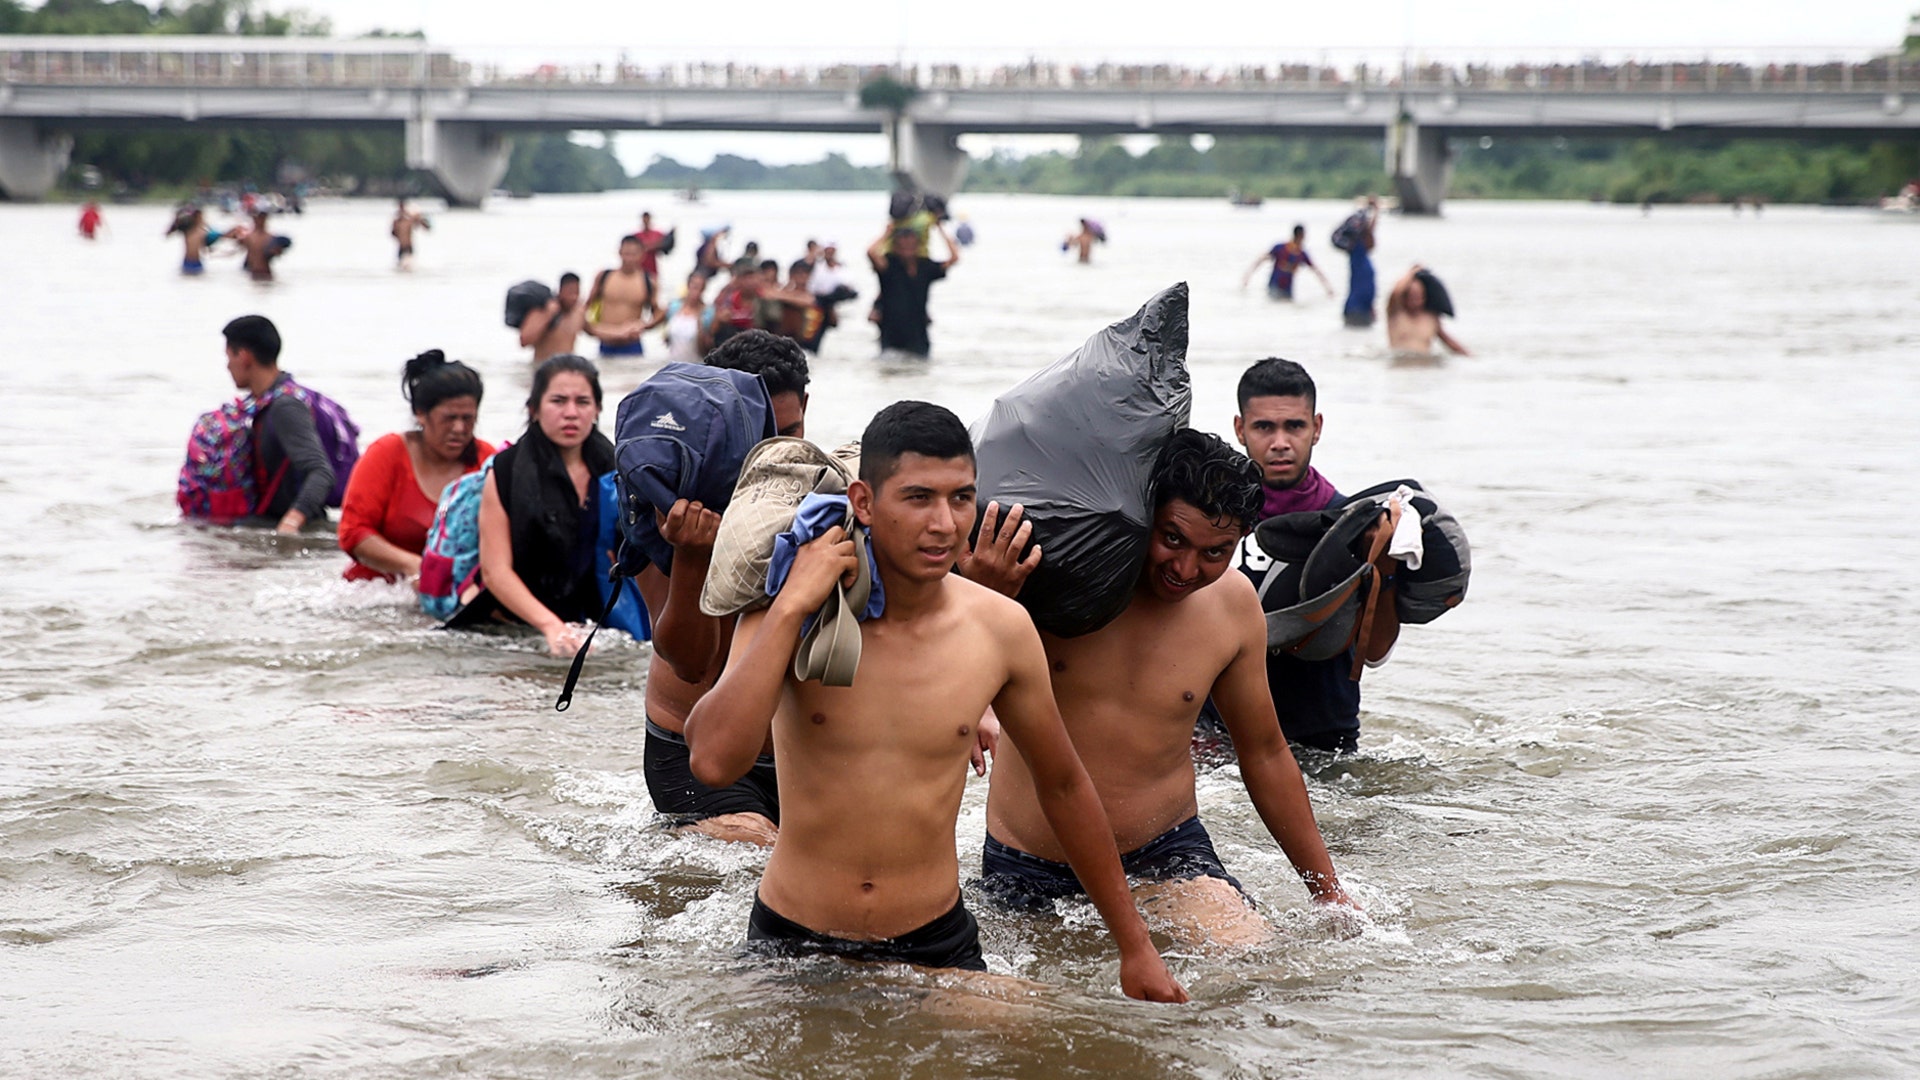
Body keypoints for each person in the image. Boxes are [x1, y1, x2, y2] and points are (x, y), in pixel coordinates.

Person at [682, 402, 1186, 1000]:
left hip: (933, 942)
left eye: (961, 498)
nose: (945, 524)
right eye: (918, 498)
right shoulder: (795, 612)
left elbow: (1064, 786)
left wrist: (1136, 948)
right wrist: (791, 605)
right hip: (793, 941)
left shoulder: (999, 629)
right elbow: (713, 761)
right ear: (865, 502)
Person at [978, 430, 1354, 946]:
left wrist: (1326, 891)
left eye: (1215, 551)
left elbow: (1265, 753)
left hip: (1165, 852)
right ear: (1142, 516)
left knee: (1254, 960)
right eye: (1172, 538)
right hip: (1030, 863)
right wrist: (986, 605)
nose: (1185, 569)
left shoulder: (1232, 604)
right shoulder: (1057, 582)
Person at [630, 331, 810, 847]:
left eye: (791, 432)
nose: (776, 456)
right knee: (754, 857)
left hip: (808, 756)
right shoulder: (672, 498)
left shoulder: (830, 486)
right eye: (760, 440)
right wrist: (691, 556)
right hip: (691, 752)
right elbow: (691, 662)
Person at [1227, 358, 1381, 752]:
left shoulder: (1354, 526)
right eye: (1264, 427)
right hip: (1223, 730)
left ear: (1316, 428)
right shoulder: (1213, 522)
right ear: (1240, 429)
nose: (1280, 442)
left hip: (1324, 734)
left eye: (1294, 426)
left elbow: (1377, 649)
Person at [474, 355, 615, 657]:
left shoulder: (616, 468)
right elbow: (495, 571)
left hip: (595, 620)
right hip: (514, 625)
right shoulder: (506, 471)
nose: (571, 413)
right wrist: (550, 626)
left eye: (583, 402)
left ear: (598, 409)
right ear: (534, 409)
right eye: (558, 401)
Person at [337, 351, 493, 585]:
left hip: (455, 587)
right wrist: (416, 567)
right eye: (449, 418)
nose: (459, 428)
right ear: (420, 414)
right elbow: (353, 533)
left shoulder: (488, 462)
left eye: (468, 419)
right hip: (377, 593)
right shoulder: (386, 454)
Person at [222, 315, 333, 534]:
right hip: (266, 523)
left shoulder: (285, 406)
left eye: (229, 356)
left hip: (292, 529)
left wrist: (292, 522)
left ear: (244, 356)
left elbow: (321, 472)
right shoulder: (263, 403)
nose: (227, 366)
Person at [868, 220, 959, 357]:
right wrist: (887, 232)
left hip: (918, 332)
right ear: (895, 246)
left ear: (918, 246)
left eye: (911, 244)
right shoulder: (889, 265)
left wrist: (939, 228)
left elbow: (954, 258)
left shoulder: (925, 267)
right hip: (891, 332)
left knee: (919, 368)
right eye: (902, 244)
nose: (907, 247)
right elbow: (871, 252)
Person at [586, 237, 656, 358]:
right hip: (606, 341)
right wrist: (593, 329)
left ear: (642, 255)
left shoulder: (648, 281)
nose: (629, 258)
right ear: (619, 252)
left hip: (631, 343)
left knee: (635, 376)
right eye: (626, 253)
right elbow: (585, 307)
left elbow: (659, 312)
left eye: (633, 254)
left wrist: (644, 325)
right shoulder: (604, 276)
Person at [1385, 265, 1471, 357]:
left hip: (1424, 364)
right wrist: (1412, 272)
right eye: (1411, 297)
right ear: (1405, 297)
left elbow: (1447, 340)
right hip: (1400, 363)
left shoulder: (1431, 318)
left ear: (1424, 298)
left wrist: (1468, 355)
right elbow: (1396, 291)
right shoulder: (1396, 313)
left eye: (1418, 297)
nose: (1414, 301)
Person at [1245, 225, 1334, 301]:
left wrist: (1328, 288)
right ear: (1301, 236)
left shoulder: (1301, 253)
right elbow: (1262, 259)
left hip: (1288, 289)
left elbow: (1315, 270)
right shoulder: (1280, 248)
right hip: (1274, 286)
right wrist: (1248, 276)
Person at [521, 272, 586, 363]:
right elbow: (524, 341)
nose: (574, 297)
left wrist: (613, 332)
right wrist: (548, 316)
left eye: (577, 293)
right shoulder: (541, 310)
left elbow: (593, 330)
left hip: (567, 367)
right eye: (570, 292)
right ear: (560, 291)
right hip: (543, 366)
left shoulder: (579, 312)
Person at [807, 240, 859, 351]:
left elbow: (851, 288)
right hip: (817, 304)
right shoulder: (817, 266)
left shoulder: (842, 268)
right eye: (827, 250)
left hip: (832, 303)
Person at [654, 269, 713, 363]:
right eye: (694, 286)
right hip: (673, 362)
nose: (696, 291)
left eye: (700, 287)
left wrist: (701, 329)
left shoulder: (708, 313)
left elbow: (707, 347)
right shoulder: (674, 306)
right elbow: (656, 323)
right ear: (688, 285)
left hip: (695, 363)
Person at [1341, 197, 1380, 328]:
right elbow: (1365, 227)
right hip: (1356, 311)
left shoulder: (1363, 256)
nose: (1374, 239)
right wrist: (1371, 209)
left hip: (1364, 311)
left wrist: (1376, 211)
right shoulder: (1356, 252)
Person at [708, 258, 762, 349]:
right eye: (746, 277)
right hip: (732, 345)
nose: (750, 282)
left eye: (752, 277)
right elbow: (712, 332)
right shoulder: (728, 299)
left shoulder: (765, 300)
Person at [240, 210, 286, 282]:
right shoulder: (248, 237)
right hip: (254, 272)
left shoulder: (270, 238)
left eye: (263, 219)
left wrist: (276, 251)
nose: (260, 221)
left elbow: (278, 254)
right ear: (254, 220)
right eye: (259, 218)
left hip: (266, 272)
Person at [631, 210, 668, 288]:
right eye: (644, 218)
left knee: (653, 288)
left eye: (647, 218)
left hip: (652, 269)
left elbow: (666, 243)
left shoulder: (657, 234)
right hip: (639, 268)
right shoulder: (637, 235)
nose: (646, 220)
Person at [391, 198, 429, 270]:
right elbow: (393, 233)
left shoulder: (410, 219)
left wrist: (421, 219)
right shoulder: (396, 221)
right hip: (401, 247)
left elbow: (423, 225)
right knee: (400, 267)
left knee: (408, 266)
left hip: (408, 247)